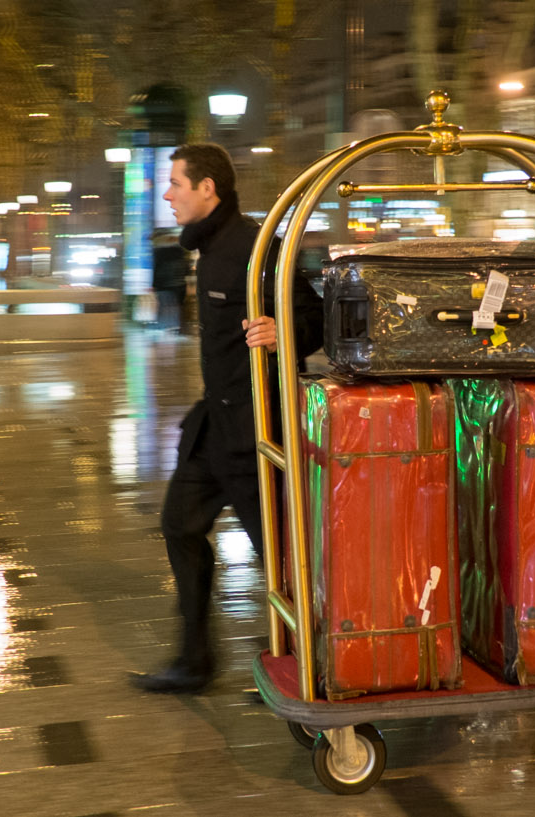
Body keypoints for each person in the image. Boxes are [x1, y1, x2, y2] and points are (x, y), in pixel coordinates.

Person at [132, 143, 325, 694]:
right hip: (214, 427)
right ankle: (195, 663)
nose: (167, 194)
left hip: (257, 432)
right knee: (179, 525)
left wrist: (282, 330)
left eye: (176, 183)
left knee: (284, 561)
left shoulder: (255, 245)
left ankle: (320, 670)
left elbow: (315, 317)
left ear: (207, 188)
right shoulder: (208, 248)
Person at [151, 230, 188, 330]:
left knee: (163, 307)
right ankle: (175, 327)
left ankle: (164, 327)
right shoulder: (180, 251)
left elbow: (156, 268)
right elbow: (186, 268)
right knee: (176, 307)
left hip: (163, 285)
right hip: (179, 285)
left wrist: (154, 284)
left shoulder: (158, 252)